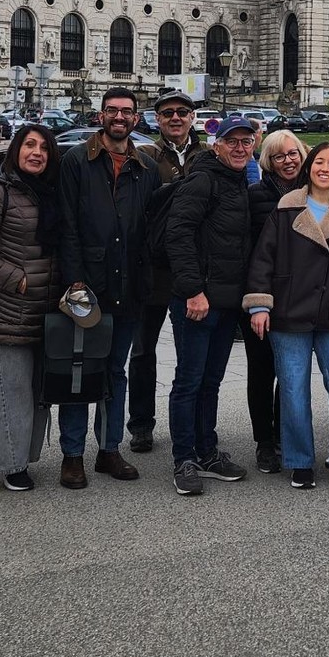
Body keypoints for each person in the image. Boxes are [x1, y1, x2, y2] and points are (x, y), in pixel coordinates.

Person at [245, 142, 329, 491]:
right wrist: (260, 305)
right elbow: (263, 259)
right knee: (293, 391)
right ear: (309, 166)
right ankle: (299, 461)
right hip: (289, 314)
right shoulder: (286, 207)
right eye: (320, 161)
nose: (326, 168)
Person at [57, 87, 159, 481]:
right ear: (101, 116)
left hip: (129, 288)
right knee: (80, 371)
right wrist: (74, 282)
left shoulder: (145, 168)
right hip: (87, 287)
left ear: (136, 119)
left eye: (127, 112)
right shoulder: (77, 161)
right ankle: (72, 454)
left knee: (116, 371)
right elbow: (66, 227)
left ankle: (109, 449)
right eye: (113, 111)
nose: (120, 117)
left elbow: (149, 230)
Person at [163, 113, 256, 495]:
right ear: (217, 145)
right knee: (189, 380)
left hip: (226, 300)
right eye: (232, 141)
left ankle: (207, 451)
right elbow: (178, 234)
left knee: (211, 382)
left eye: (246, 141)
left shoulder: (240, 182)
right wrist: (192, 291)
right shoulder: (203, 179)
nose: (239, 148)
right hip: (198, 301)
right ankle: (184, 457)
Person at [0, 123, 60, 491]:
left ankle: (25, 457)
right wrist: (17, 279)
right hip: (9, 311)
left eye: (44, 148)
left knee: (38, 393)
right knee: (9, 393)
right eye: (29, 146)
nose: (37, 153)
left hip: (47, 311)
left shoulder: (51, 194)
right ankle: (10, 465)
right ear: (15, 152)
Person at [127, 89, 207, 454]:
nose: (175, 118)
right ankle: (141, 424)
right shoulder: (143, 156)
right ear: (156, 120)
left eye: (182, 112)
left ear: (192, 117)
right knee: (143, 351)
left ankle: (188, 425)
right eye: (167, 113)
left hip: (190, 271)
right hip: (151, 271)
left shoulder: (207, 156)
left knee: (190, 355)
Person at [244, 130, 306, 469]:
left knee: (291, 372)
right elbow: (249, 252)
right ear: (268, 160)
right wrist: (255, 300)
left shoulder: (315, 194)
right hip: (263, 298)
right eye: (279, 156)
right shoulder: (254, 194)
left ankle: (284, 433)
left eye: (293, 153)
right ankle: (264, 442)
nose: (288, 161)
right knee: (262, 371)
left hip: (299, 299)